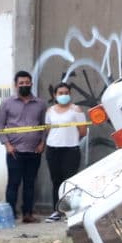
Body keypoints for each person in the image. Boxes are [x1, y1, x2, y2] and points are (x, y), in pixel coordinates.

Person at [0, 71, 47, 223]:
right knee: (13, 183)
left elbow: (45, 125)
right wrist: (7, 145)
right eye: (21, 83)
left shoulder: (40, 104)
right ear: (16, 85)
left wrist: (42, 143)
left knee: (30, 184)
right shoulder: (7, 103)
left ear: (31, 83)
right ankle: (10, 215)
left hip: (34, 151)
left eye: (27, 82)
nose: (24, 85)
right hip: (14, 151)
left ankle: (28, 214)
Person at [43, 82, 86, 222]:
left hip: (71, 149)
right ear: (55, 95)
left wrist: (71, 139)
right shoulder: (50, 111)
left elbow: (83, 131)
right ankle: (57, 211)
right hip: (53, 149)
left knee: (70, 181)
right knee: (56, 181)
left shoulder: (76, 110)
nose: (63, 95)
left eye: (66, 93)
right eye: (60, 93)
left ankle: (71, 212)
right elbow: (48, 129)